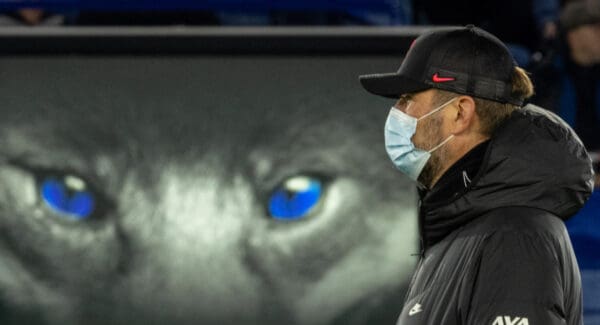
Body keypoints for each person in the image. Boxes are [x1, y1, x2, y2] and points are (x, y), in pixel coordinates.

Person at [359, 25, 594, 325]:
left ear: (460, 113)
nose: (397, 112)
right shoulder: (463, 229)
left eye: (407, 98)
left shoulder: (513, 237)